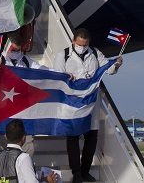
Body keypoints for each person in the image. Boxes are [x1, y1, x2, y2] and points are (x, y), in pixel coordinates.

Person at [53, 28, 123, 183]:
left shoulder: (96, 54)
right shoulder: (63, 55)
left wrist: (116, 64)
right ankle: (76, 172)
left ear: (89, 43)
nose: (82, 47)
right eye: (79, 44)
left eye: (85, 45)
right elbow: (57, 77)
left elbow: (109, 69)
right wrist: (67, 77)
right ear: (73, 41)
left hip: (90, 102)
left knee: (91, 138)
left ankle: (85, 171)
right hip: (72, 104)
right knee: (73, 138)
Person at [0, 31, 47, 156]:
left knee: (28, 147)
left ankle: (25, 169)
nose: (14, 53)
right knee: (7, 146)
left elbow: (43, 70)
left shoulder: (27, 61)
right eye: (12, 50)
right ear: (7, 46)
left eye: (17, 50)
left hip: (23, 111)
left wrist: (62, 75)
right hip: (4, 110)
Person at [0, 119, 57, 183]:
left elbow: (5, 180)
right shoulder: (23, 157)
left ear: (6, 137)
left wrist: (44, 180)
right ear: (24, 137)